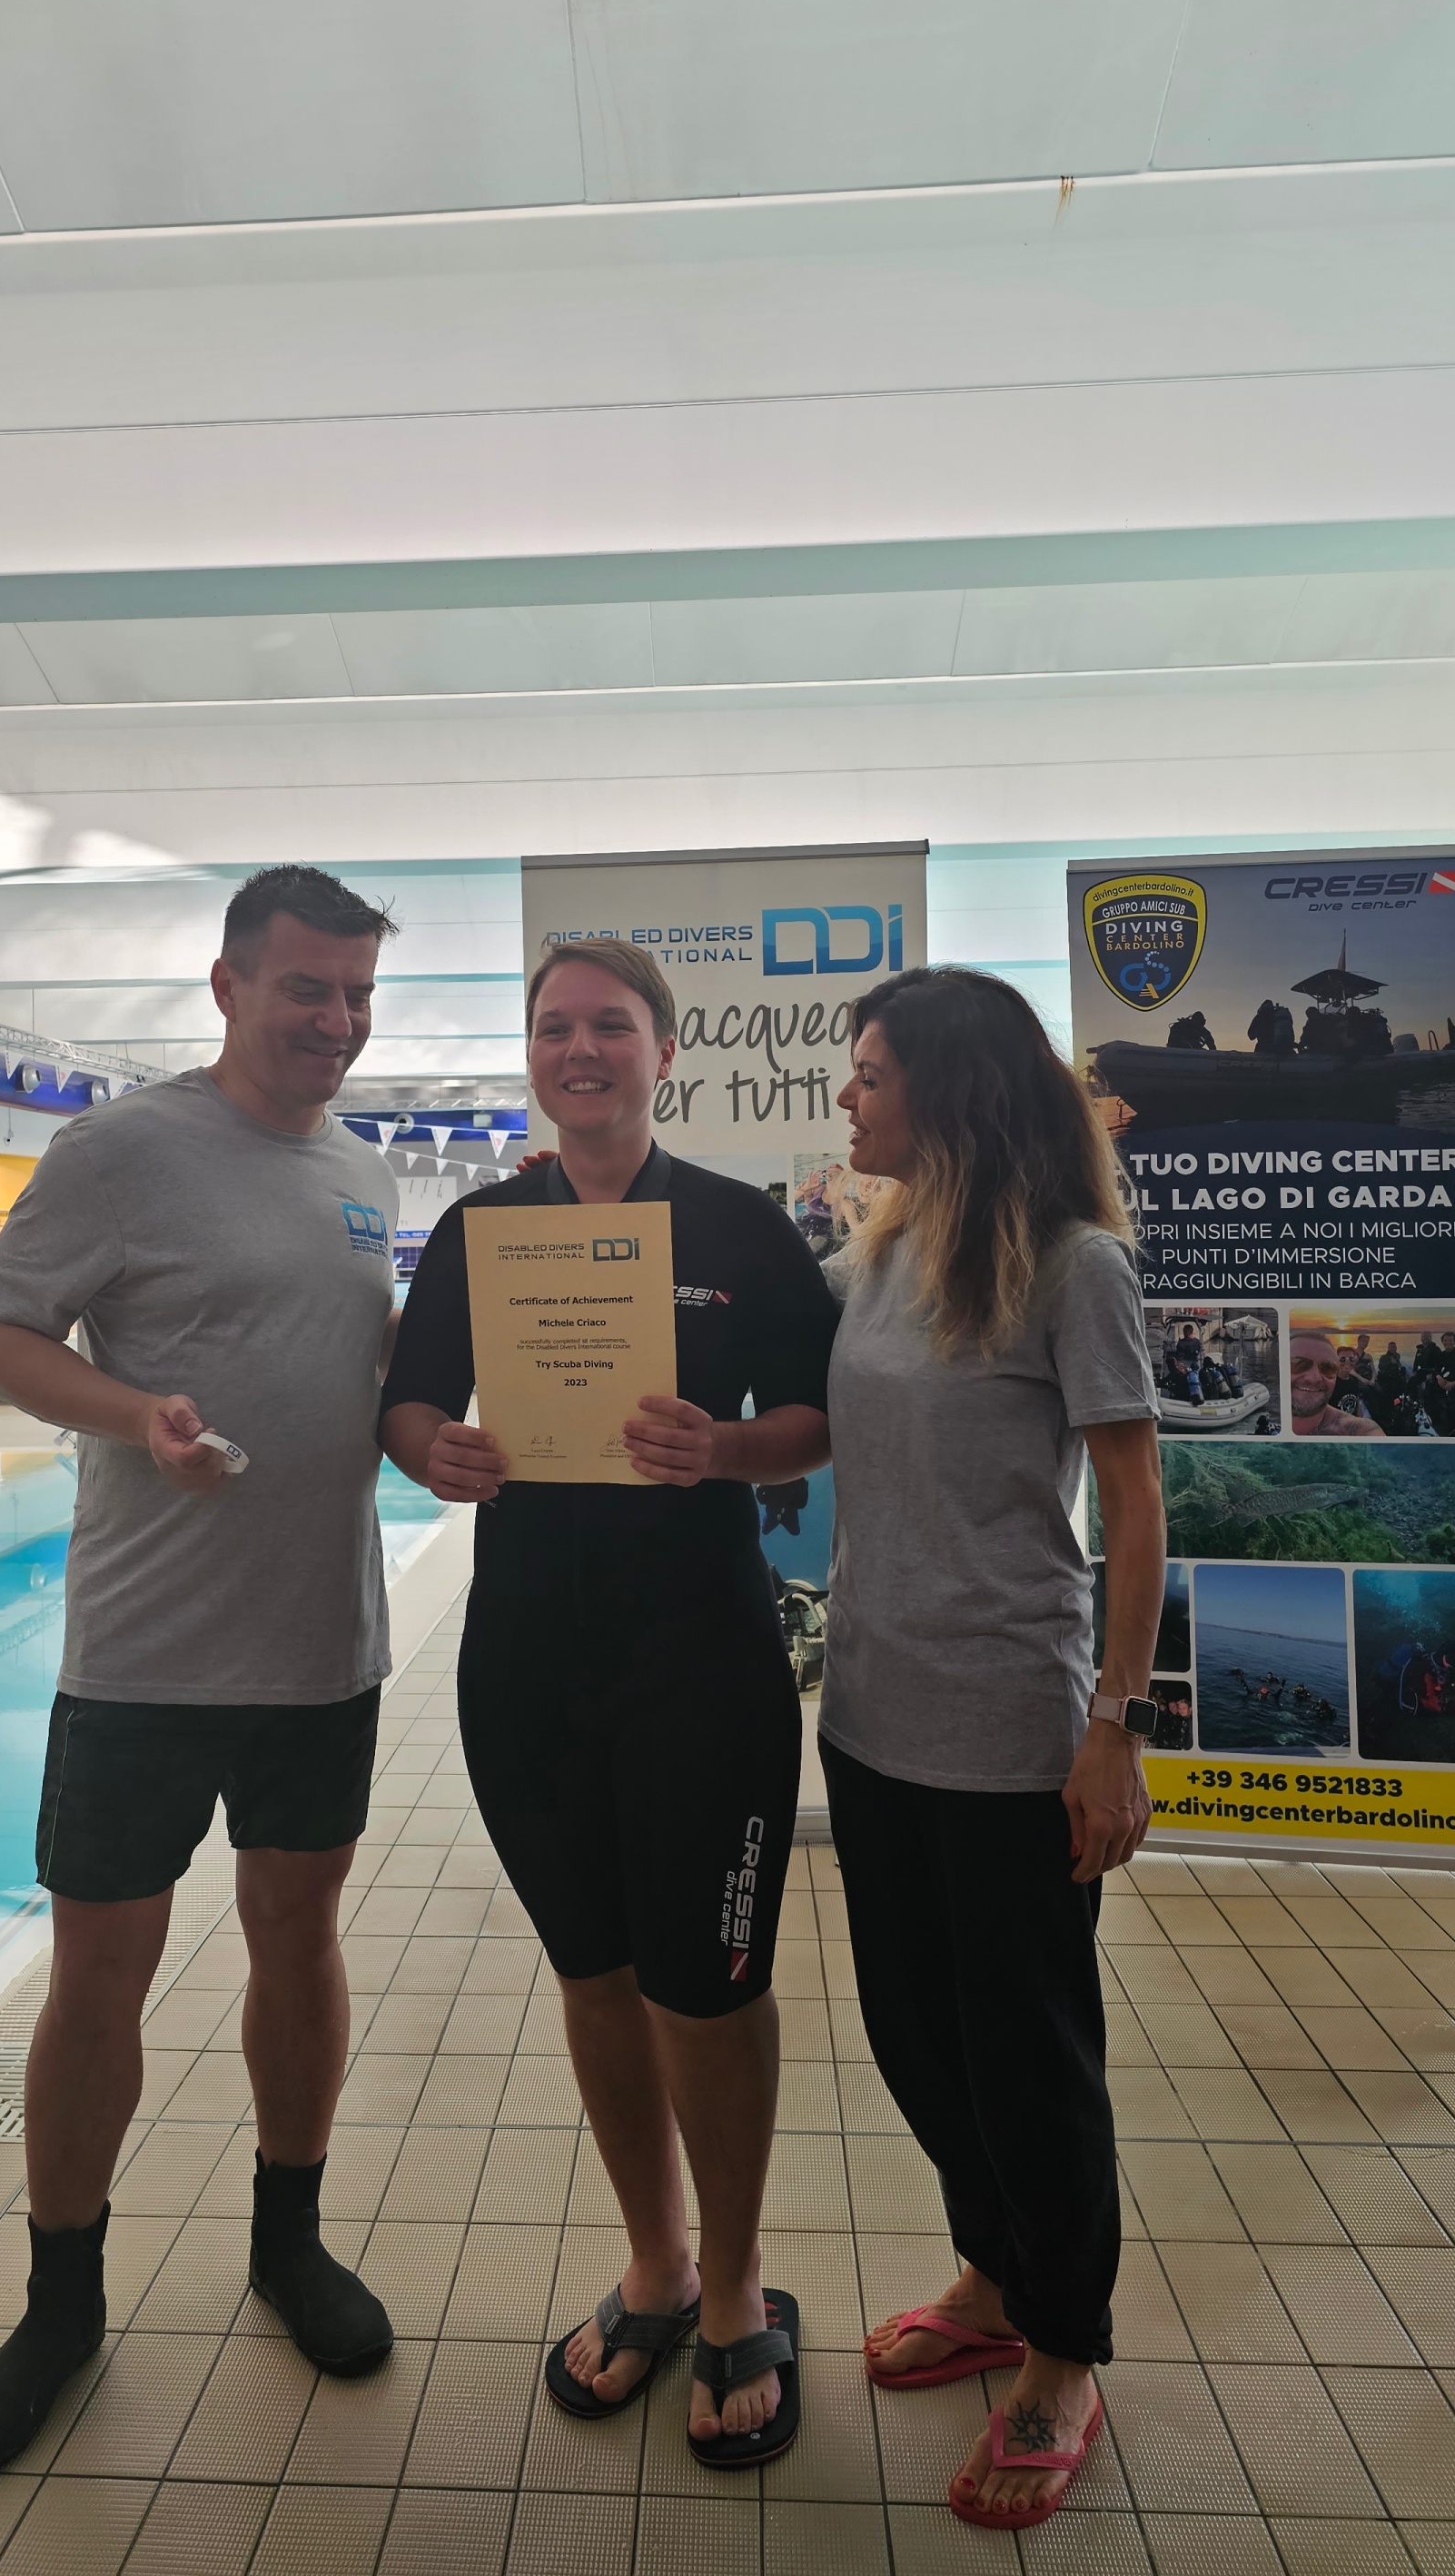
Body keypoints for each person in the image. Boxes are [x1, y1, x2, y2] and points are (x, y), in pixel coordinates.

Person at [0, 867, 403, 2477]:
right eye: (307, 989)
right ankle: (59, 2304)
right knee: (99, 1980)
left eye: (356, 995)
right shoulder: (119, 1151)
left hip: (320, 1646)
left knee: (299, 1940)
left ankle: (289, 2239)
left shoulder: (362, 1172)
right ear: (229, 985)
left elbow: (363, 1374)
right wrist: (138, 1416)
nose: (334, 1021)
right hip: (141, 1654)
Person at [381, 937, 837, 2467]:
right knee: (592, 1973)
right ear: (531, 1053)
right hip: (527, 1659)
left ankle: (739, 2281)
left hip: (700, 1658)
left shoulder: (737, 1225)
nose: (580, 1049)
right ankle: (658, 2263)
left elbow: (819, 1415)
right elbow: (409, 1397)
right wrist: (431, 1449)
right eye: (555, 1027)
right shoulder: (480, 1230)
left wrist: (727, 1449)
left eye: (611, 1026)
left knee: (709, 1986)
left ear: (664, 1050)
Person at [815, 967, 1165, 2534]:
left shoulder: (1074, 1265)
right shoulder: (883, 1254)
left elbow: (1136, 1510)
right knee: (914, 2033)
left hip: (1014, 1727)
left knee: (1028, 2059)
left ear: (949, 1090)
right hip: (870, 1715)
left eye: (870, 1073)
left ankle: (1063, 2350)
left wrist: (1115, 1729)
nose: (847, 1097)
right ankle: (992, 2273)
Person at [1289, 1329, 1383, 1436]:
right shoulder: (1337, 1382)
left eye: (1327, 1368)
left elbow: (1357, 1405)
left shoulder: (1362, 1429)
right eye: (1298, 1364)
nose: (1313, 1378)